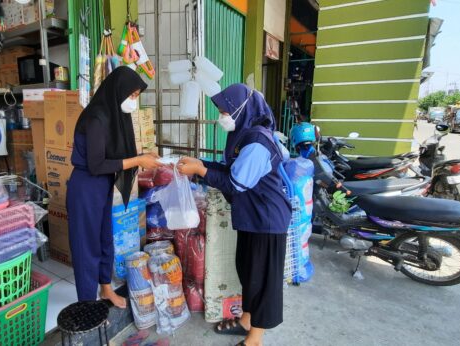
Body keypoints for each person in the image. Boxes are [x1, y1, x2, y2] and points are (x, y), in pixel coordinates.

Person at [177, 84, 292, 346]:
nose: (222, 115)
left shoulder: (258, 142)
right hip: (252, 216)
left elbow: (235, 184)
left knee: (263, 281)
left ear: (243, 109)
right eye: (220, 110)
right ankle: (246, 321)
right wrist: (200, 165)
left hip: (267, 219)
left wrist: (202, 171)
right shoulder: (244, 134)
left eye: (225, 110)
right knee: (248, 272)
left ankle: (255, 338)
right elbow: (231, 170)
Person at [67, 67, 162, 308]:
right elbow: (97, 165)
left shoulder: (112, 115)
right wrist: (139, 160)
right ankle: (87, 305)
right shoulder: (96, 118)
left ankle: (105, 288)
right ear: (118, 91)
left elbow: (117, 153)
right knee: (86, 248)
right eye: (132, 95)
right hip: (86, 187)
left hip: (101, 185)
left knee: (104, 239)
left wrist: (143, 155)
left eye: (136, 96)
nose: (134, 101)